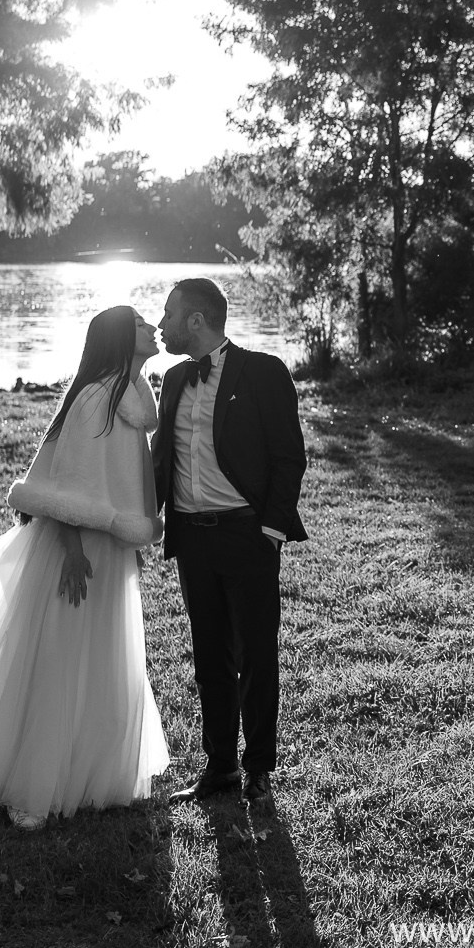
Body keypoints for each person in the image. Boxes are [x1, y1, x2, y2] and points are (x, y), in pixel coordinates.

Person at [0, 305, 170, 828]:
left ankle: (90, 776)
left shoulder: (129, 399)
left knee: (101, 657)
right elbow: (66, 488)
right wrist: (75, 550)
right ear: (122, 339)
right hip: (75, 547)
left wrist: (132, 539)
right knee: (60, 659)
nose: (153, 329)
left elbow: (118, 485)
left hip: (108, 545)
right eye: (144, 324)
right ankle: (32, 784)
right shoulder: (94, 399)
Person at [153, 277, 307, 805]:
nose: (162, 323)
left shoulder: (263, 372)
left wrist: (270, 531)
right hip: (192, 539)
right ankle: (219, 768)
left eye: (169, 313)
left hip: (247, 535)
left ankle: (259, 767)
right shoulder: (171, 378)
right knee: (208, 656)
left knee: (256, 654)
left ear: (196, 320)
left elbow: (289, 457)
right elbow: (159, 462)